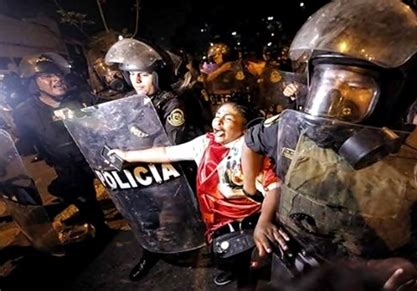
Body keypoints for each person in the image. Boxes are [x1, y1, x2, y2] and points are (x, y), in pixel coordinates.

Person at [242, 0, 417, 290]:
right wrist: (259, 206)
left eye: (355, 86)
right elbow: (251, 142)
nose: (335, 99)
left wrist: (404, 272)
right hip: (289, 273)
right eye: (327, 82)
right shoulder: (291, 129)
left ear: (397, 92)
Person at [109, 102, 281, 290]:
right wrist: (126, 155)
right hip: (215, 223)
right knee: (225, 255)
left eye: (228, 118)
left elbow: (273, 187)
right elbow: (167, 152)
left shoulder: (250, 152)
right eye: (218, 115)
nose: (219, 120)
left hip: (244, 226)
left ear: (244, 128)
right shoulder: (205, 143)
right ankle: (231, 267)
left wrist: (264, 222)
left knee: (246, 273)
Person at [105, 38, 195, 281]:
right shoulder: (128, 102)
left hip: (163, 174)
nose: (136, 81)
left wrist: (132, 152)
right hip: (135, 173)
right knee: (144, 217)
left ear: (156, 76)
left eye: (143, 75)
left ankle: (172, 250)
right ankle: (149, 251)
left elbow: (170, 145)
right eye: (131, 75)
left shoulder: (171, 103)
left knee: (169, 217)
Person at [13, 53, 110, 239]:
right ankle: (101, 230)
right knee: (86, 202)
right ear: (33, 83)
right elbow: (25, 141)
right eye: (48, 76)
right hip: (67, 166)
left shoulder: (82, 97)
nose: (57, 78)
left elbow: (112, 110)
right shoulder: (25, 113)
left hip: (99, 156)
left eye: (58, 74)